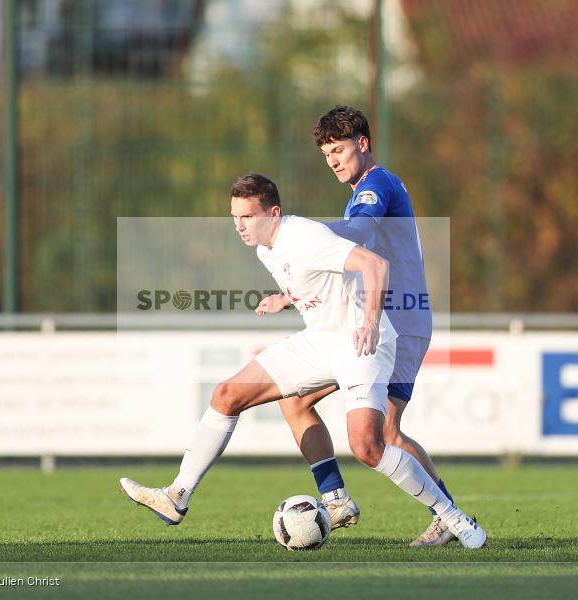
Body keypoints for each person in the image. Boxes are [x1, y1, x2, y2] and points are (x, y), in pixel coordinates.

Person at [119, 173, 486, 549]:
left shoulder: (305, 237)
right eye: (234, 218)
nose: (239, 226)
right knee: (228, 395)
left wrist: (372, 323)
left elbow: (375, 266)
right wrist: (285, 299)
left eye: (248, 217)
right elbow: (319, 281)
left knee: (369, 447)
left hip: (359, 342)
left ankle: (453, 517)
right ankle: (178, 495)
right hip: (321, 341)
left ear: (273, 213)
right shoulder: (266, 249)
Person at [267, 105, 458, 547]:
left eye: (338, 149)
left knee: (386, 434)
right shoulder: (361, 189)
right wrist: (292, 294)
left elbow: (359, 236)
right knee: (294, 401)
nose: (332, 160)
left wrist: (298, 234)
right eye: (326, 153)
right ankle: (335, 499)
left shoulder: (378, 184)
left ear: (363, 144)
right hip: (368, 325)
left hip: (399, 321)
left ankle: (447, 514)